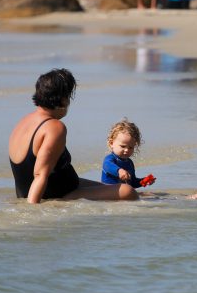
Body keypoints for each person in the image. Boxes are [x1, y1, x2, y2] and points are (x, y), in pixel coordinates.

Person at [9, 68, 139, 204]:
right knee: (127, 191)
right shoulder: (54, 127)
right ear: (63, 99)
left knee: (114, 188)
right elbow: (40, 174)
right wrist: (31, 211)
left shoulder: (24, 121)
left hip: (47, 189)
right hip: (55, 194)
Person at [102, 118, 197, 198]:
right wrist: (119, 170)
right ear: (111, 143)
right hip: (109, 192)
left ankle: (185, 198)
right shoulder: (110, 159)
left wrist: (143, 181)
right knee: (147, 196)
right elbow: (108, 166)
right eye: (123, 146)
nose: (127, 150)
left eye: (131, 147)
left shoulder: (129, 163)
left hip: (125, 193)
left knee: (154, 195)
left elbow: (132, 183)